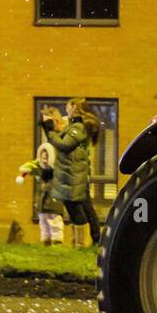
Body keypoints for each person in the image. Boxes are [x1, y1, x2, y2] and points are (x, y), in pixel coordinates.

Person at [40, 99, 101, 248]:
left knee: (74, 207)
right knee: (85, 206)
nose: (66, 109)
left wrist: (49, 132)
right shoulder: (76, 126)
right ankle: (92, 240)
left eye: (68, 106)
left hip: (73, 173)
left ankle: (81, 243)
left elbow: (64, 145)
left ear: (75, 108)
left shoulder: (78, 127)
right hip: (74, 172)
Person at [16, 144, 64, 246]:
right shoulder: (40, 171)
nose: (44, 160)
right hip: (42, 204)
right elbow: (30, 168)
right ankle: (46, 242)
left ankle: (57, 243)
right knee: (43, 223)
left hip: (53, 203)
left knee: (54, 223)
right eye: (42, 157)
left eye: (46, 157)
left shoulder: (56, 171)